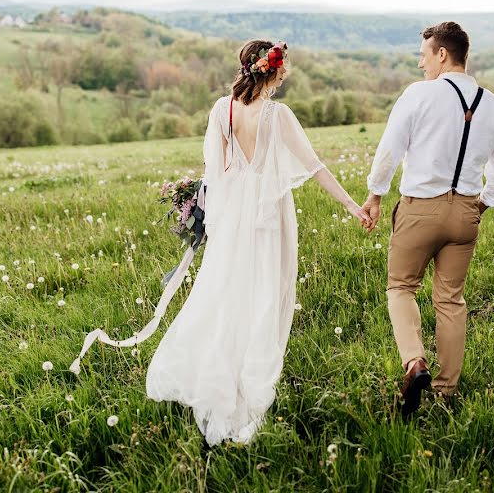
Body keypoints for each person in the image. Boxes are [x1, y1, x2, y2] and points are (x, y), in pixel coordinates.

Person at [140, 40, 370, 446]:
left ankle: (217, 370)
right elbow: (315, 166)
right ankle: (248, 385)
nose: (285, 76)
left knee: (227, 293)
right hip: (268, 216)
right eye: (283, 70)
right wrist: (353, 206)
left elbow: (216, 170)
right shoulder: (276, 115)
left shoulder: (221, 109)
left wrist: (205, 213)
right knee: (265, 294)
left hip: (232, 216)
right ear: (272, 70)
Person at [362, 22, 494, 417]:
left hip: (420, 208)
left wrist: (375, 195)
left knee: (400, 288)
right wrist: (481, 205)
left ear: (442, 54)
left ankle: (415, 363)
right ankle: (446, 393)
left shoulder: (420, 95)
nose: (420, 63)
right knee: (450, 300)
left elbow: (389, 149)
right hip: (466, 212)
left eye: (424, 55)